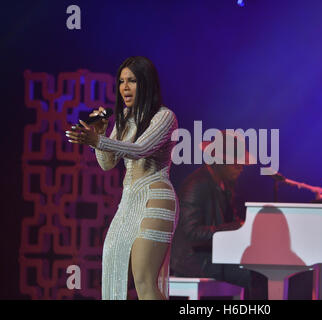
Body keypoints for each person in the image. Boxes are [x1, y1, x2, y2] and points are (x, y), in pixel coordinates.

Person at [65, 56, 178, 300]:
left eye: (132, 81)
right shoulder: (125, 117)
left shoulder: (164, 116)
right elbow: (108, 164)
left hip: (155, 197)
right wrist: (100, 134)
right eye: (121, 81)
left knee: (144, 281)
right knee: (114, 262)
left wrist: (98, 141)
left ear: (146, 84)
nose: (125, 87)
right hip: (128, 200)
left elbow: (141, 149)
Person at [170, 131, 267, 299]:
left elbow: (230, 223)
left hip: (211, 255)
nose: (241, 168)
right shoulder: (196, 185)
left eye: (241, 163)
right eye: (235, 163)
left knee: (260, 267)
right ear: (220, 162)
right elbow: (192, 234)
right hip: (192, 260)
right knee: (253, 275)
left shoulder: (224, 185)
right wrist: (236, 227)